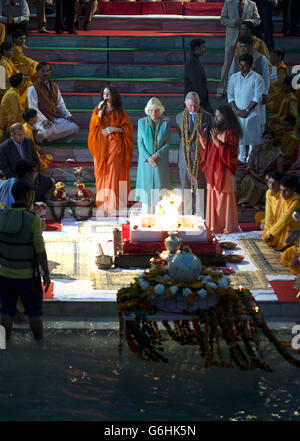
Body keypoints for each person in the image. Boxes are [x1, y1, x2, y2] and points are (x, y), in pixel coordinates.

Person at [0, 180, 50, 341]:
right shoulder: (32, 219)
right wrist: (46, 273)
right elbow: (40, 249)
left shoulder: (2, 215)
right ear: (28, 196)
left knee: (6, 312)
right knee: (34, 313)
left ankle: (4, 346)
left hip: (5, 272)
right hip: (28, 274)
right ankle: (39, 348)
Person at [88, 86, 133, 215]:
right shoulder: (98, 109)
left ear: (113, 95)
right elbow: (93, 126)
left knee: (113, 173)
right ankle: (103, 203)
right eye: (104, 93)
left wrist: (114, 129)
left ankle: (113, 204)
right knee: (102, 172)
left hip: (115, 143)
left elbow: (128, 128)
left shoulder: (120, 111)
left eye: (108, 93)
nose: (106, 96)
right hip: (101, 145)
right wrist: (100, 113)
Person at [198, 104, 241, 234]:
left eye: (219, 116)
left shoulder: (231, 134)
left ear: (226, 117)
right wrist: (202, 139)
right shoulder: (216, 132)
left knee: (224, 200)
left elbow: (231, 153)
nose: (216, 118)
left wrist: (216, 141)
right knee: (214, 199)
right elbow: (209, 152)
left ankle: (227, 227)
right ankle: (214, 226)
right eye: (215, 115)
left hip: (225, 172)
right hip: (213, 172)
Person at [175, 91, 213, 216]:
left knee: (201, 187)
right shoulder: (179, 117)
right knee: (186, 188)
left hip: (200, 158)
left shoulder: (207, 117)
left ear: (199, 103)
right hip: (184, 158)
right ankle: (186, 215)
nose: (193, 108)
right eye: (190, 105)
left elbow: (210, 139)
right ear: (185, 103)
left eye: (195, 105)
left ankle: (201, 215)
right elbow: (181, 136)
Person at [216, 0, 260, 98]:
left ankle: (241, 89)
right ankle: (221, 89)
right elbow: (223, 19)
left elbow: (257, 20)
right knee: (228, 63)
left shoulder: (252, 4)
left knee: (246, 63)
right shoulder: (228, 3)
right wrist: (234, 21)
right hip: (232, 38)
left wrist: (247, 22)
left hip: (247, 38)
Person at [27, 62, 79, 144]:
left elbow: (60, 105)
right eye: (43, 71)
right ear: (37, 73)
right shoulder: (33, 88)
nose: (46, 73)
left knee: (74, 128)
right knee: (46, 131)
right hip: (39, 120)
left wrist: (68, 115)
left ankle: (48, 139)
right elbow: (33, 108)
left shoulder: (54, 86)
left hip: (53, 118)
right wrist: (43, 120)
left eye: (47, 71)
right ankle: (40, 137)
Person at [0, 122, 53, 202]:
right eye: (19, 135)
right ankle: (34, 199)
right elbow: (5, 168)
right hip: (17, 178)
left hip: (32, 174)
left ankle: (34, 199)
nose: (22, 137)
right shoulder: (4, 147)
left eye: (23, 134)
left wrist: (34, 173)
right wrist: (19, 178)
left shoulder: (28, 142)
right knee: (29, 189)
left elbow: (36, 160)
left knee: (49, 182)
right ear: (12, 135)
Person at [135, 97, 170, 214]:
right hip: (146, 162)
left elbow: (167, 143)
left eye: (156, 110)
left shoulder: (166, 122)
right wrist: (149, 158)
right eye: (151, 110)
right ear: (147, 110)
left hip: (160, 162)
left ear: (160, 110)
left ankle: (160, 219)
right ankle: (145, 218)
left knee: (160, 193)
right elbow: (140, 143)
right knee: (146, 193)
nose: (153, 113)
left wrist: (155, 156)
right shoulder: (141, 122)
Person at [227, 53, 264, 164]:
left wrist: (247, 110)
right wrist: (238, 110)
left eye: (244, 65)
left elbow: (258, 96)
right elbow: (230, 95)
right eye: (240, 65)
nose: (241, 68)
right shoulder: (234, 77)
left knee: (253, 137)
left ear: (251, 66)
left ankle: (250, 159)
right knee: (239, 136)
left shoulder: (257, 78)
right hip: (237, 112)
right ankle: (241, 158)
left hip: (252, 113)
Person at [238, 129, 283, 208]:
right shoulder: (256, 150)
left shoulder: (277, 154)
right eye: (266, 138)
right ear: (262, 138)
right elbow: (249, 166)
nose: (268, 140)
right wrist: (255, 175)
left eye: (270, 139)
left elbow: (279, 173)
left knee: (270, 187)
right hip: (254, 175)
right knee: (248, 180)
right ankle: (250, 202)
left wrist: (267, 178)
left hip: (267, 179)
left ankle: (261, 203)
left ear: (273, 140)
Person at [262, 175, 300, 251]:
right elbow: (270, 215)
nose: (282, 194)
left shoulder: (296, 202)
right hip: (280, 226)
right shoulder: (281, 196)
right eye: (281, 190)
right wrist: (267, 230)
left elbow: (284, 219)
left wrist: (272, 233)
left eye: (286, 191)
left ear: (293, 190)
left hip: (292, 229)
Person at [266, 76, 298, 145]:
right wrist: (270, 118)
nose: (282, 85)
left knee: (268, 126)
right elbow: (280, 114)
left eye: (284, 84)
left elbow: (293, 117)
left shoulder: (292, 99)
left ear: (289, 86)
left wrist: (280, 120)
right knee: (266, 122)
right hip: (280, 122)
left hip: (284, 125)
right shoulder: (286, 97)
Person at [184, 38, 213, 114]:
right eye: (203, 47)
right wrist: (201, 100)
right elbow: (196, 83)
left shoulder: (193, 59)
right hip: (197, 100)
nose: (205, 49)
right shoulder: (192, 61)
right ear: (197, 48)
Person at [0, 41, 31, 106]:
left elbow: (16, 72)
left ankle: (23, 103)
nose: (12, 52)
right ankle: (22, 103)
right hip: (6, 88)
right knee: (27, 84)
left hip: (10, 83)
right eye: (11, 50)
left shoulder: (8, 60)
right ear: (5, 51)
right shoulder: (3, 63)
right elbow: (6, 81)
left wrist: (23, 77)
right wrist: (21, 79)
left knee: (27, 82)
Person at [0, 72, 25, 141]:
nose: (24, 82)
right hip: (5, 120)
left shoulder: (13, 91)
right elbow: (15, 112)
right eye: (23, 80)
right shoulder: (13, 94)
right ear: (20, 83)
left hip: (8, 117)